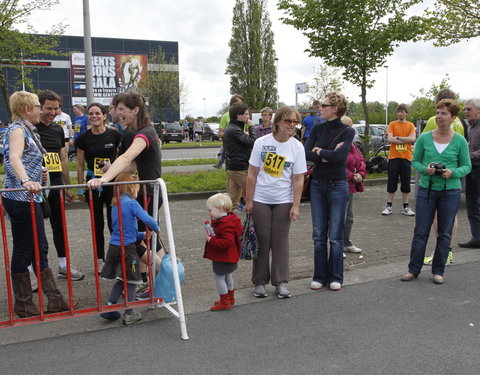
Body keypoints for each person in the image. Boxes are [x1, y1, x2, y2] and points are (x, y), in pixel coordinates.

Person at [3, 91, 70, 317]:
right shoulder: (16, 130)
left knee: (40, 246)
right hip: (20, 198)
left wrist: (38, 176)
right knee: (24, 247)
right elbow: (14, 158)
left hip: (32, 197)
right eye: (37, 106)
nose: (42, 110)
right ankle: (23, 303)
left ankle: (54, 299)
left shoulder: (29, 130)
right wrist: (26, 180)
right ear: (27, 109)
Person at [87, 91, 163, 274]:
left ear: (135, 110)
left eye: (121, 109)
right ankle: (153, 277)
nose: (118, 112)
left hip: (149, 194)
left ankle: (163, 275)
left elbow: (128, 158)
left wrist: (104, 179)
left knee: (137, 241)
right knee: (146, 239)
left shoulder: (145, 133)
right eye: (116, 108)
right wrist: (113, 168)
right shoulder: (139, 131)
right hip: (145, 193)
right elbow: (134, 165)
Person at [401, 99, 471, 285]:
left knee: (444, 232)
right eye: (437, 112)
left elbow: (467, 166)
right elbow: (415, 162)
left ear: (453, 117)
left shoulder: (460, 141)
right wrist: (426, 169)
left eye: (444, 113)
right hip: (426, 190)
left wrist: (452, 172)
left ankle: (438, 271)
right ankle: (413, 269)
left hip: (450, 192)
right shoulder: (425, 138)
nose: (439, 117)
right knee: (420, 231)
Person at [246, 106, 307, 298]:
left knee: (280, 241)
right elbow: (251, 174)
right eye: (288, 121)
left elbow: (298, 178)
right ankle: (260, 282)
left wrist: (296, 206)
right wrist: (249, 200)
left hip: (284, 200)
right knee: (263, 240)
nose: (291, 125)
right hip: (261, 198)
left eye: (295, 122)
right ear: (278, 121)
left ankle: (281, 281)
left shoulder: (297, 146)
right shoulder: (261, 143)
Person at [305, 92, 355, 292]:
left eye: (324, 105)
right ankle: (319, 275)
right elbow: (306, 152)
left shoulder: (347, 131)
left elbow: (339, 157)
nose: (320, 108)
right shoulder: (317, 127)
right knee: (318, 234)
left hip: (338, 185)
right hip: (317, 184)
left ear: (335, 108)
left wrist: (320, 152)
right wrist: (327, 154)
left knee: (335, 235)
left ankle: (336, 276)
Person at [99, 173, 160, 325]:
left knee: (121, 279)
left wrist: (141, 234)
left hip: (114, 247)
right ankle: (130, 313)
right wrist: (156, 228)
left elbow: (122, 228)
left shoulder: (115, 204)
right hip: (128, 250)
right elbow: (147, 218)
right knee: (132, 281)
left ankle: (110, 307)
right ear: (132, 187)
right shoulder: (132, 203)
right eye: (137, 187)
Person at [36, 90, 84, 281]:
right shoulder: (29, 129)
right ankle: (36, 270)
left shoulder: (57, 129)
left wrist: (68, 187)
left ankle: (64, 266)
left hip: (55, 184)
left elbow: (63, 158)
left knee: (60, 226)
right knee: (35, 228)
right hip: (36, 186)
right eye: (49, 108)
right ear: (39, 107)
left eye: (56, 108)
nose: (53, 112)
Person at [75, 103, 122, 270]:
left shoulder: (114, 135)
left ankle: (114, 257)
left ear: (104, 116)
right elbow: (80, 165)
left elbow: (121, 159)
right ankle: (99, 259)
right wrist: (80, 189)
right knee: (97, 223)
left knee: (113, 222)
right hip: (92, 184)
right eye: (91, 113)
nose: (94, 116)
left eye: (97, 113)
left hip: (111, 184)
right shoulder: (82, 139)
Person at [422, 89, 465, 265]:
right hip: (454, 175)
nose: (440, 115)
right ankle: (448, 251)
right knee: (451, 216)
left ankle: (441, 252)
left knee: (437, 217)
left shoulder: (433, 120)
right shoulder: (460, 122)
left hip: (436, 177)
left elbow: (423, 141)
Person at [203, 193, 242, 311]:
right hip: (230, 257)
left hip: (223, 257)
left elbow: (226, 243)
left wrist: (212, 240)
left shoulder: (224, 224)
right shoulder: (230, 220)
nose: (209, 213)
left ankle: (225, 301)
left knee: (219, 277)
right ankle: (230, 298)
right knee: (228, 276)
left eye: (210, 210)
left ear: (219, 210)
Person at [381, 104, 416, 216]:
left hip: (406, 157)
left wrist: (399, 138)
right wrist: (405, 140)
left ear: (406, 113)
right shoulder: (392, 124)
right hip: (394, 157)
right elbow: (390, 139)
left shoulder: (410, 125)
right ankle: (388, 206)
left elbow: (413, 138)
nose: (401, 113)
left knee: (406, 182)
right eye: (399, 111)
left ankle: (406, 207)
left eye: (403, 111)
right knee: (392, 181)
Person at [341, 115, 367, 255]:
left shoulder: (353, 145)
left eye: (350, 127)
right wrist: (352, 175)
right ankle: (337, 245)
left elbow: (361, 160)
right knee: (341, 216)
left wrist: (361, 174)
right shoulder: (337, 145)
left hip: (351, 185)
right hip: (340, 185)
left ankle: (346, 242)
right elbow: (337, 165)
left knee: (349, 217)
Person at [223, 102, 256, 210]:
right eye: (246, 114)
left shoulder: (232, 128)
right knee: (256, 193)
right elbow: (253, 142)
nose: (248, 116)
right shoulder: (235, 130)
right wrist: (251, 127)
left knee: (231, 202)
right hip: (239, 168)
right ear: (239, 115)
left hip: (233, 167)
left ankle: (225, 223)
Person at [459, 98, 480, 249]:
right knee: (471, 205)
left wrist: (468, 157)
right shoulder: (470, 127)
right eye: (465, 109)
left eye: (469, 109)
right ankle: (476, 237)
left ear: (478, 110)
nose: (465, 112)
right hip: (471, 170)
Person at [214, 94, 245, 169]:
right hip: (230, 147)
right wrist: (230, 135)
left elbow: (248, 131)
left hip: (243, 146)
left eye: (242, 103)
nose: (241, 105)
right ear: (232, 104)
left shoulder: (245, 115)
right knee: (230, 169)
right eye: (239, 103)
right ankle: (220, 165)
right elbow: (220, 134)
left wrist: (244, 135)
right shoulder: (225, 116)